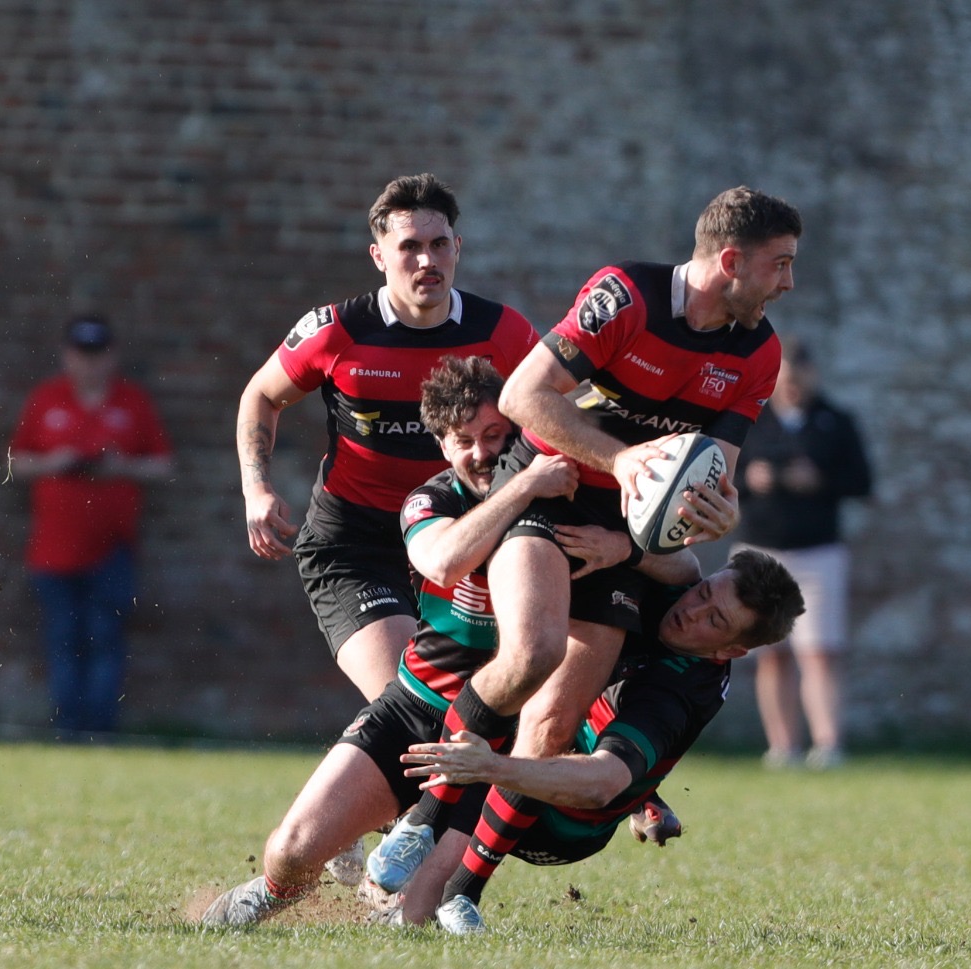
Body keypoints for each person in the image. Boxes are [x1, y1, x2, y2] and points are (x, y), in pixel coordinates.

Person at [369, 186, 802, 881]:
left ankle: (457, 888)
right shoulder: (625, 297)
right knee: (534, 651)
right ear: (731, 262)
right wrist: (622, 460)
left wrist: (716, 514)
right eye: (780, 264)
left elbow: (711, 474)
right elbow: (523, 396)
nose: (788, 282)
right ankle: (424, 815)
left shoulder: (759, 353)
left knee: (552, 722)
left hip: (622, 531)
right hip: (549, 488)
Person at [199, 354, 654, 927]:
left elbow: (673, 571)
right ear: (441, 446)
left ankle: (412, 896)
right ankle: (271, 892)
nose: (482, 452)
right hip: (416, 709)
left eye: (495, 435)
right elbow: (442, 561)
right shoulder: (432, 498)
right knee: (290, 853)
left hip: (496, 742)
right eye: (464, 440)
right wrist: (523, 487)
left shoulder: (569, 500)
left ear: (518, 430)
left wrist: (624, 549)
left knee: (415, 913)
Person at [235, 173, 538, 704]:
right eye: (410, 247)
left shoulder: (504, 332)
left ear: (458, 248)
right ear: (379, 257)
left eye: (439, 245)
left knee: (490, 707)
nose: (427, 261)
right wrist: (256, 488)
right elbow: (261, 394)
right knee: (411, 702)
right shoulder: (336, 331)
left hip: (462, 538)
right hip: (358, 544)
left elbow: (554, 411)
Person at [398, 548, 805, 933]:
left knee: (488, 756)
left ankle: (454, 894)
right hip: (564, 746)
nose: (691, 611)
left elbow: (601, 783)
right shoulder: (674, 591)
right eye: (703, 592)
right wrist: (621, 546)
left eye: (714, 620)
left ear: (731, 650)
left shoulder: (676, 695)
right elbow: (680, 562)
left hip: (562, 822)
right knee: (456, 714)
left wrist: (490, 767)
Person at [8, 313, 174, 735]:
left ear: (112, 356)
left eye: (97, 354)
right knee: (63, 639)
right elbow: (16, 462)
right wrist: (55, 462)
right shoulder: (46, 399)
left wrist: (120, 467)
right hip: (53, 548)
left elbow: (163, 466)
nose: (90, 363)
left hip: (112, 546)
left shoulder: (132, 402)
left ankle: (99, 730)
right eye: (82, 353)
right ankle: (68, 727)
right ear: (67, 355)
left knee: (105, 638)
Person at [735, 338, 874, 769]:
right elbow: (720, 473)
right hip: (761, 551)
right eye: (786, 381)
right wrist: (750, 479)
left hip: (818, 551)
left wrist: (818, 480)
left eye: (800, 379)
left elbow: (862, 481)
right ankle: (782, 747)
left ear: (813, 375)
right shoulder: (750, 420)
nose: (793, 388)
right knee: (770, 652)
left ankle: (828, 745)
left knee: (820, 650)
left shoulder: (836, 421)